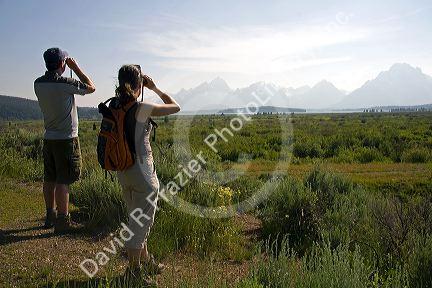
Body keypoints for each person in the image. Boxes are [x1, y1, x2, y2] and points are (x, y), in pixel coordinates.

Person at [114, 65, 180, 280]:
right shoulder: (142, 108)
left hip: (122, 170)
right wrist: (155, 88)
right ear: (138, 84)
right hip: (143, 174)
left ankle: (146, 260)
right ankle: (133, 272)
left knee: (136, 220)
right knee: (140, 225)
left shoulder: (114, 106)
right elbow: (175, 106)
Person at [34, 48, 96, 233]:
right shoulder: (65, 82)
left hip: (49, 138)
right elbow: (91, 87)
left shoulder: (38, 83)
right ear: (62, 63)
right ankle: (63, 221)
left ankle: (49, 215)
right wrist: (75, 68)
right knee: (63, 180)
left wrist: (64, 69)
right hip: (67, 139)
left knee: (49, 178)